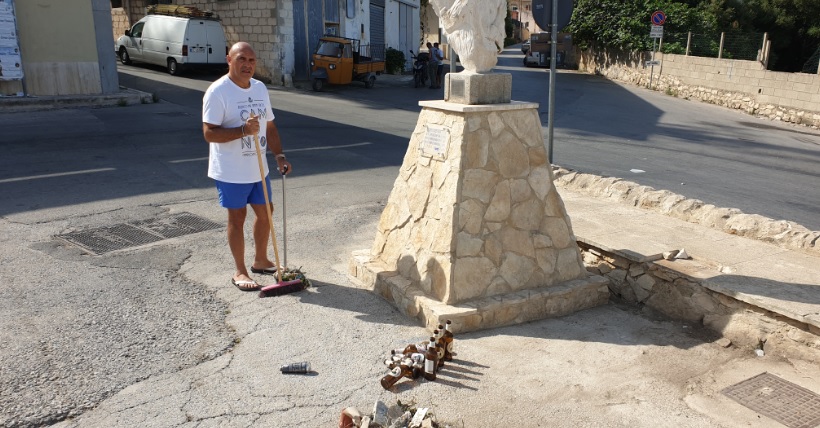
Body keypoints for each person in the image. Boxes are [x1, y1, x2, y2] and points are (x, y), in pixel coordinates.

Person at [202, 42, 293, 291]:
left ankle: (261, 260)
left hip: (258, 168)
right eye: (242, 59)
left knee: (266, 212)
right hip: (231, 170)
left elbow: (270, 127)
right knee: (237, 217)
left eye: (252, 61)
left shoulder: (260, 88)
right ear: (229, 59)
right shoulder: (218, 92)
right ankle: (240, 271)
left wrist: (279, 156)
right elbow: (209, 134)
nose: (247, 65)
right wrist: (243, 131)